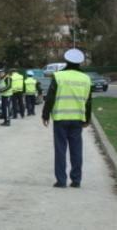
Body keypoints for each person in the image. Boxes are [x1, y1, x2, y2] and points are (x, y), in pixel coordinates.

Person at [42, 48, 92, 188]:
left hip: (61, 118)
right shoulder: (86, 78)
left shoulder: (58, 76)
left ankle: (61, 180)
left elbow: (50, 98)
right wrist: (87, 119)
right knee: (76, 149)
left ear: (66, 61)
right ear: (80, 63)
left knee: (60, 149)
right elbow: (88, 101)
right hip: (77, 119)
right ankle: (76, 180)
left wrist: (45, 114)